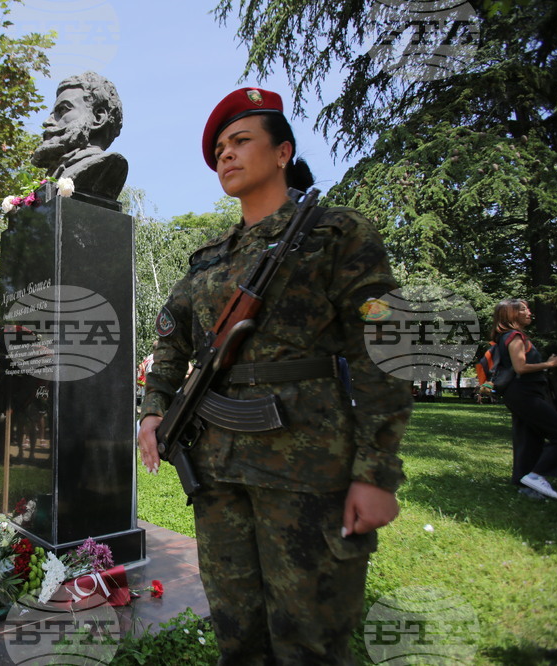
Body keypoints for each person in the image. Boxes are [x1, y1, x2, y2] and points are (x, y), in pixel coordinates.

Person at [137, 87, 413, 664]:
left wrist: (376, 471)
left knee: (309, 637)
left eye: (240, 142)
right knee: (237, 633)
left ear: (283, 151)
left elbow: (382, 352)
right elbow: (171, 339)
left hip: (309, 467)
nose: (226, 156)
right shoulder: (209, 259)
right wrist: (154, 409)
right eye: (218, 150)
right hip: (218, 471)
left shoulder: (338, 234)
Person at [491, 298, 557, 500]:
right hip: (524, 393)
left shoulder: (508, 337)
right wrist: (551, 364)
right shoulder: (514, 336)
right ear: (511, 315)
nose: (529, 312)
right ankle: (536, 475)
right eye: (523, 309)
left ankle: (525, 484)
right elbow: (521, 367)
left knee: (529, 438)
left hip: (520, 393)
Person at [30, 71, 127, 201]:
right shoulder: (56, 172)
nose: (48, 121)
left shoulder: (106, 167)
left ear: (98, 117)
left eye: (63, 110)